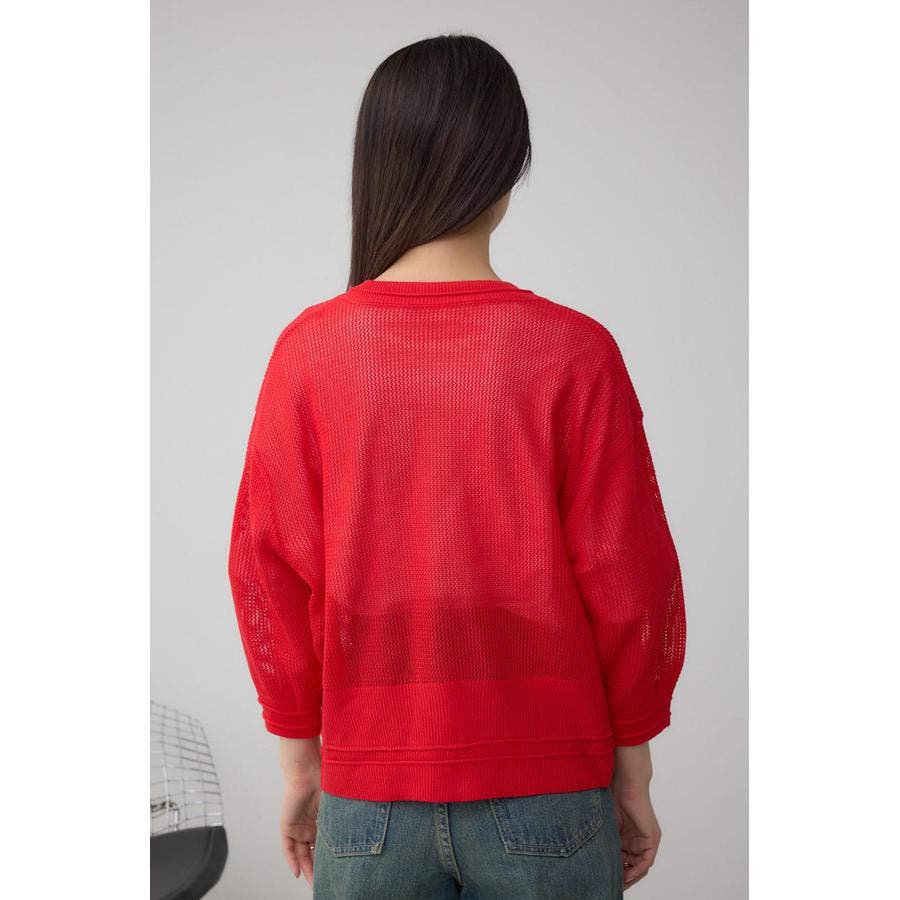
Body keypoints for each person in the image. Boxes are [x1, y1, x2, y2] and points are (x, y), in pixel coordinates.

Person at [228, 33, 686, 899]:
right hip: (550, 786)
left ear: (377, 165)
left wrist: (300, 764)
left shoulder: (311, 351)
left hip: (368, 794)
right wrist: (635, 772)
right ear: (508, 169)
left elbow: (267, 571)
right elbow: (630, 580)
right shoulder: (573, 351)